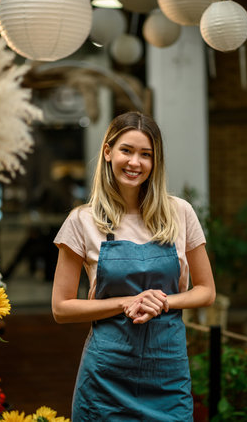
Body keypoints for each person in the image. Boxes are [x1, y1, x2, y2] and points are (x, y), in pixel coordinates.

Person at [52, 111, 216, 421]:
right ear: (108, 151)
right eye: (127, 150)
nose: (135, 162)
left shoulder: (180, 213)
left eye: (146, 155)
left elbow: (206, 291)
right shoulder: (82, 221)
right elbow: (61, 308)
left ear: (156, 162)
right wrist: (128, 301)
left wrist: (161, 301)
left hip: (167, 375)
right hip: (105, 380)